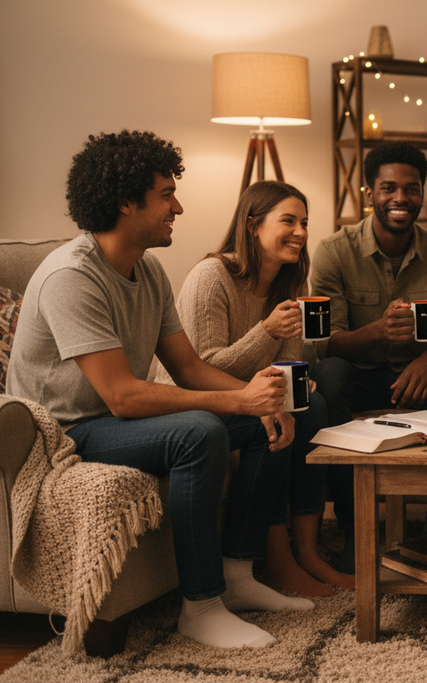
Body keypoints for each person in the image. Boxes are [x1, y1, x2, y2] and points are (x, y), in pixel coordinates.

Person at [7, 130, 313, 649]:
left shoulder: (147, 270)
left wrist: (258, 401)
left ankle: (237, 577)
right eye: (166, 194)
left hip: (115, 419)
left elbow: (189, 367)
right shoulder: (70, 277)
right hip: (67, 430)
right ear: (126, 202)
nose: (179, 206)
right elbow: (122, 396)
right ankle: (202, 605)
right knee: (196, 432)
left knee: (274, 414)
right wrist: (237, 399)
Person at [161, 180, 350, 595]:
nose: (300, 232)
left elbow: (284, 363)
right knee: (282, 417)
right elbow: (199, 366)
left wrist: (299, 374)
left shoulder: (288, 283)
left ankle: (308, 552)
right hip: (198, 398)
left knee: (312, 405)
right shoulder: (211, 275)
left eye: (304, 222)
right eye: (288, 221)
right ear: (252, 225)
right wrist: (265, 331)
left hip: (252, 396)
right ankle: (277, 561)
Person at [310, 141, 427, 537]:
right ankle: (355, 528)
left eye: (412, 188)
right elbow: (323, 342)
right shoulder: (333, 252)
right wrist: (376, 332)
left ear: (422, 194)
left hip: (421, 384)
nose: (401, 198)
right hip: (360, 379)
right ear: (370, 193)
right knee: (329, 373)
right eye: (389, 188)